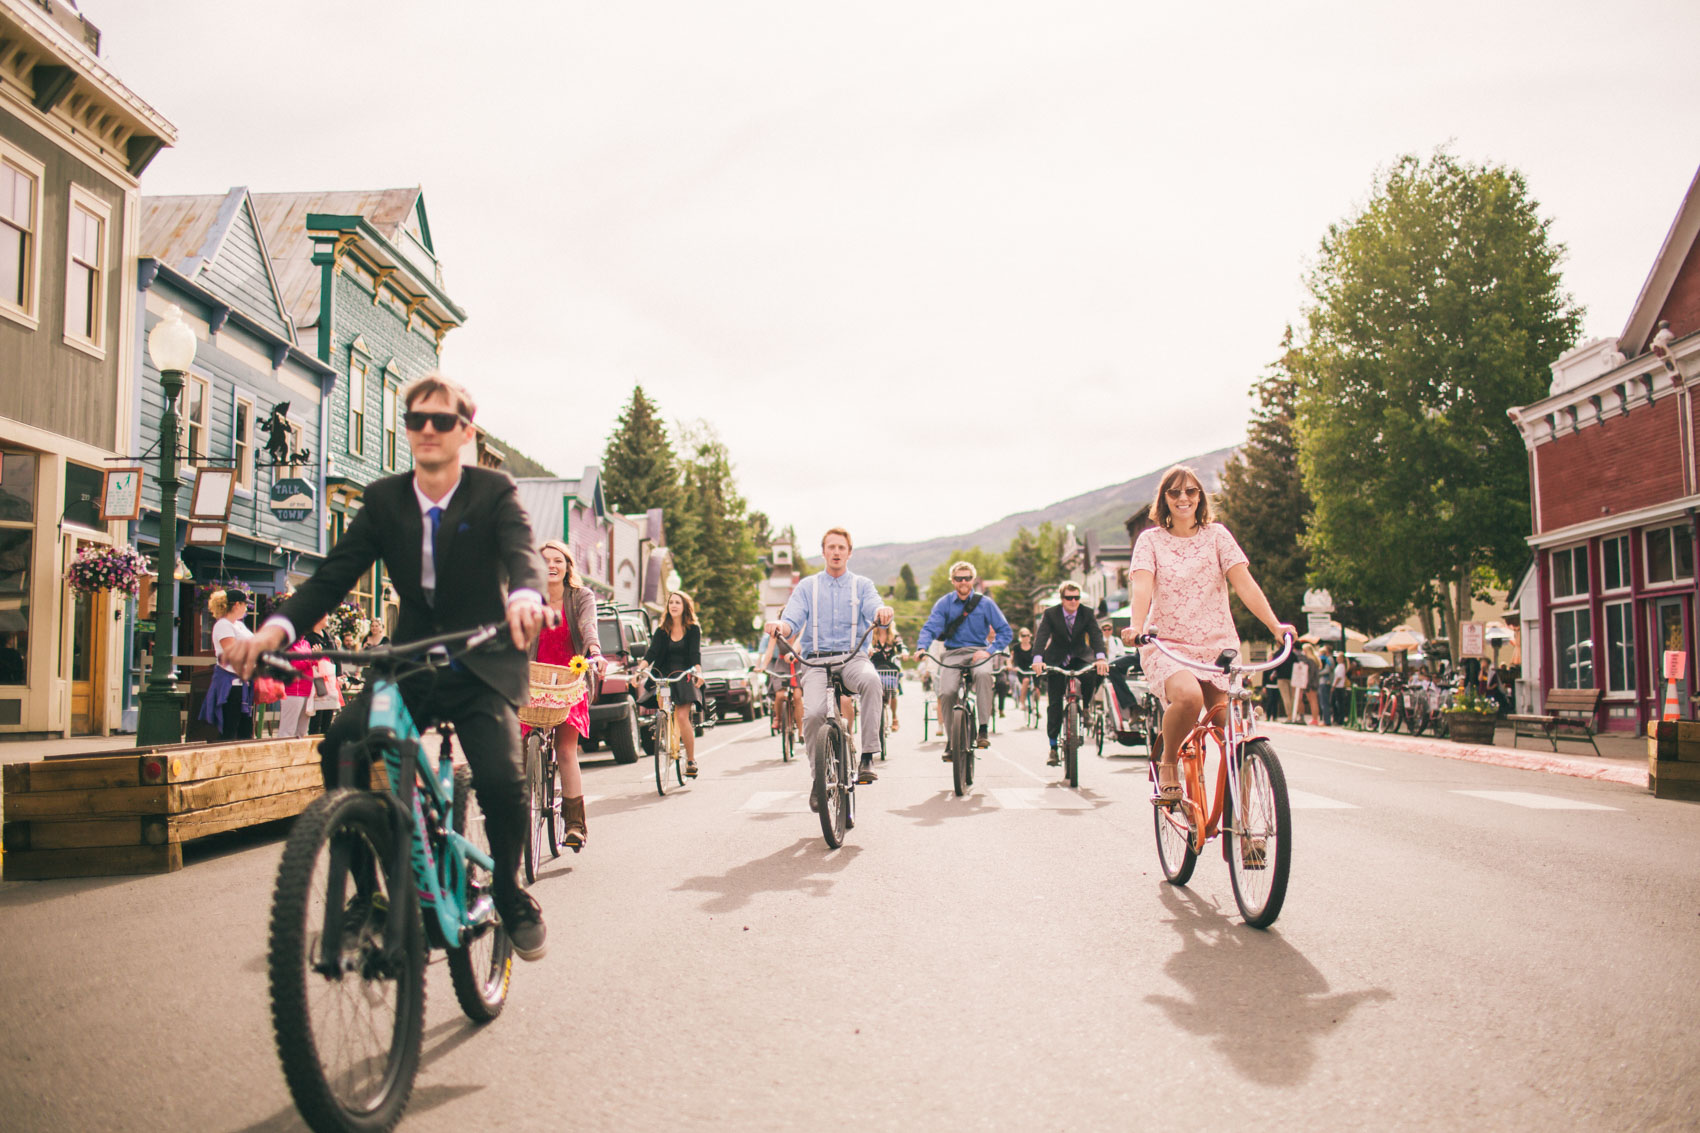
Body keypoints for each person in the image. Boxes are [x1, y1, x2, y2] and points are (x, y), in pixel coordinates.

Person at [221, 373, 553, 962]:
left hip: (481, 665)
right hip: (409, 664)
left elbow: (523, 556)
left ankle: (506, 888)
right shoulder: (383, 501)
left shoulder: (493, 493)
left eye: (442, 421)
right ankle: (369, 897)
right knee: (343, 744)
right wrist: (272, 632)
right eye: (416, 420)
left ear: (465, 431)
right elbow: (330, 579)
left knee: (503, 780)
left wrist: (526, 597)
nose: (428, 430)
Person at [1121, 465, 1293, 802]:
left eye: (1191, 491)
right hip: (1168, 644)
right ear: (1164, 499)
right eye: (1175, 492)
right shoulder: (1150, 541)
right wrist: (1137, 626)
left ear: (1200, 497)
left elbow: (1245, 583)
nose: (1183, 498)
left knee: (1234, 731)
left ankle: (1244, 824)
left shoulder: (1218, 536)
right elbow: (1142, 587)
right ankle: (1168, 762)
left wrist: (1276, 625)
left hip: (1217, 647)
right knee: (1188, 698)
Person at [765, 527, 895, 794]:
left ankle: (868, 756)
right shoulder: (807, 587)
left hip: (853, 658)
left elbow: (874, 607)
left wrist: (882, 612)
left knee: (872, 681)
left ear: (849, 553)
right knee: (812, 716)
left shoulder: (863, 585)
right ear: (823, 552)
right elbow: (791, 621)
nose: (836, 552)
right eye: (831, 547)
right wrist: (780, 625)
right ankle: (818, 779)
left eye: (841, 548)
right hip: (816, 662)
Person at [531, 539, 601, 849]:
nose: (551, 565)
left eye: (558, 560)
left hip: (570, 679)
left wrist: (595, 652)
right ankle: (522, 815)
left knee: (565, 749)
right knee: (521, 748)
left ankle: (575, 825)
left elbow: (588, 627)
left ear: (568, 565)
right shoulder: (527, 599)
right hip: (532, 678)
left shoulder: (580, 597)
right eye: (545, 560)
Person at [914, 560, 1013, 754]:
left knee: (984, 675)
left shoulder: (985, 604)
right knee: (947, 691)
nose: (963, 582)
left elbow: (1005, 631)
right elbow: (930, 627)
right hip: (952, 654)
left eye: (967, 578)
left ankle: (983, 729)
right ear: (952, 580)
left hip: (978, 652)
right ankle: (952, 741)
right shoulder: (944, 603)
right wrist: (921, 648)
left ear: (973, 580)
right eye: (959, 578)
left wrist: (990, 651)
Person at [1031, 582, 1109, 765]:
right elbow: (1041, 636)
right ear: (1062, 599)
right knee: (1055, 703)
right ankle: (1052, 748)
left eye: (1076, 598)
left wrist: (1100, 658)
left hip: (1080, 655)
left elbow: (1096, 636)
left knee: (1093, 674)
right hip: (1056, 658)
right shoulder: (1051, 614)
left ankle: (1087, 706)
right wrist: (1037, 659)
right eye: (1069, 598)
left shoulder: (1087, 613)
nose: (1073, 601)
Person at [643, 592, 704, 777]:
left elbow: (695, 654)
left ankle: (691, 760)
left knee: (682, 716)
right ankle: (666, 733)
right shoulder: (662, 630)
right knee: (664, 711)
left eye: (678, 602)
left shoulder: (693, 629)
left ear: (685, 606)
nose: (674, 605)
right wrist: (640, 670)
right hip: (664, 675)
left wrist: (698, 672)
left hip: (684, 675)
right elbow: (652, 653)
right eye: (671, 602)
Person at [200, 588, 254, 741]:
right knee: (229, 728)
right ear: (237, 604)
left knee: (245, 730)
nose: (246, 608)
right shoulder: (223, 625)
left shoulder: (239, 625)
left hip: (244, 682)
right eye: (245, 604)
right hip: (230, 684)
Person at [756, 628, 803, 746]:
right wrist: (763, 666)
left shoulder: (801, 632)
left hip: (798, 665)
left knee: (797, 696)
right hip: (781, 666)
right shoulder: (776, 633)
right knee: (780, 695)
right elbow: (769, 652)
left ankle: (801, 731)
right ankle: (778, 717)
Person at [869, 621, 906, 734]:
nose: (882, 623)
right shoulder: (870, 636)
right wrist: (868, 650)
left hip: (890, 668)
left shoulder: (894, 636)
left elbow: (901, 646)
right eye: (880, 621)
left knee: (892, 691)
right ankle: (873, 720)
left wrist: (904, 652)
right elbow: (865, 645)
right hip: (874, 668)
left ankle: (894, 717)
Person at [1010, 626, 1039, 722]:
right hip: (1022, 670)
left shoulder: (1034, 646)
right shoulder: (1017, 647)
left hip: (1033, 669)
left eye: (1027, 635)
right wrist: (1016, 667)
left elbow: (1037, 657)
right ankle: (1022, 702)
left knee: (1037, 688)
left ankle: (1036, 707)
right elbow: (1015, 660)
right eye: (1023, 635)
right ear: (1020, 636)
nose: (1026, 637)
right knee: (1026, 680)